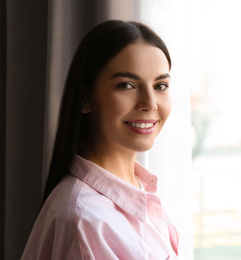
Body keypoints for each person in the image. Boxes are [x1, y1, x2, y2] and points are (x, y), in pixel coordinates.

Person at [22, 20, 179, 259]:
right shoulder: (85, 220)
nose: (149, 103)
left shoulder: (137, 193)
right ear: (86, 98)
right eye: (126, 85)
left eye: (160, 85)